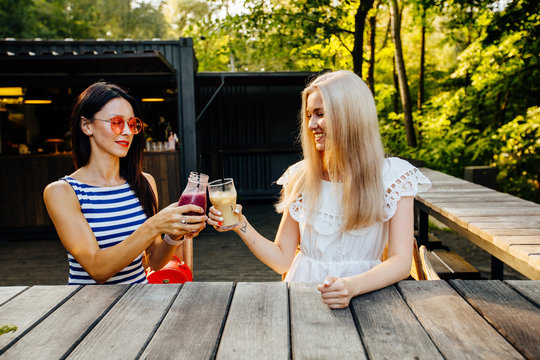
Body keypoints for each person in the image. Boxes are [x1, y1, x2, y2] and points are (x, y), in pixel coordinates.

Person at [207, 70, 431, 308]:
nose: (311, 124)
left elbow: (400, 261)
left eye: (320, 114)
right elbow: (283, 259)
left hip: (370, 298)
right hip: (303, 298)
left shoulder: (393, 176)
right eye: (308, 115)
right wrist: (241, 224)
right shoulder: (300, 176)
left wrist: (352, 286)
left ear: (351, 116)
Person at [44, 82, 207, 284]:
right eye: (116, 122)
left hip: (137, 303)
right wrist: (154, 226)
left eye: (132, 124)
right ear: (86, 126)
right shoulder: (63, 192)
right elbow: (98, 269)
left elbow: (153, 262)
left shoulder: (144, 182)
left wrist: (174, 234)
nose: (127, 131)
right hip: (86, 309)